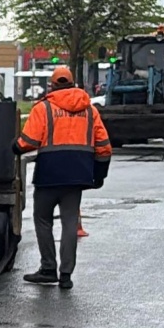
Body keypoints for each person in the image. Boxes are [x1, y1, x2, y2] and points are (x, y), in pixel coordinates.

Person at [13, 65, 112, 290]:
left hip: (49, 174)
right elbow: (104, 147)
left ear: (53, 84)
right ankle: (66, 275)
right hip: (77, 176)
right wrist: (100, 175)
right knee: (69, 223)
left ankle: (48, 269)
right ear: (73, 82)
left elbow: (28, 141)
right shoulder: (90, 110)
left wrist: (14, 147)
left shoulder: (43, 108)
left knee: (42, 219)